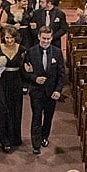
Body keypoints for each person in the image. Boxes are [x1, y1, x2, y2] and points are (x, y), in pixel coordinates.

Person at [23, 26, 64, 155]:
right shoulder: (31, 52)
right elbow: (25, 72)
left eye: (48, 38)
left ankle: (44, 137)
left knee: (48, 117)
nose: (46, 41)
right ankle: (36, 144)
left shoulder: (57, 52)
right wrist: (35, 78)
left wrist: (58, 90)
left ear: (52, 38)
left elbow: (61, 74)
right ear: (39, 37)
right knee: (36, 117)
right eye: (43, 38)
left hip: (51, 92)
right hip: (36, 91)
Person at [0, 26, 26, 153]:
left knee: (16, 109)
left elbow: (24, 67)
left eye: (12, 37)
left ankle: (15, 138)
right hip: (3, 82)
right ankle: (4, 138)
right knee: (4, 110)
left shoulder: (21, 49)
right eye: (7, 38)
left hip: (16, 82)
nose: (10, 40)